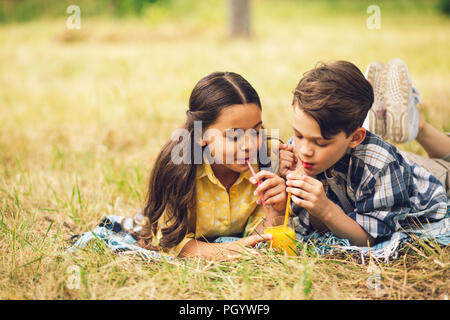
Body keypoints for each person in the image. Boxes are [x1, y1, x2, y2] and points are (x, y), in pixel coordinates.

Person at [278, 60, 448, 247]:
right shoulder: (300, 152)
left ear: (355, 137)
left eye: (320, 143)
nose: (304, 151)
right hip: (380, 162)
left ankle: (416, 124)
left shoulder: (380, 166)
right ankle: (389, 117)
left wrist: (326, 209)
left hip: (423, 180)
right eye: (298, 135)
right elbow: (320, 230)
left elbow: (369, 239)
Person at [138, 71, 287, 260]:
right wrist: (226, 251)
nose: (249, 145)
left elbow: (262, 237)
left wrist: (277, 210)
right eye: (234, 136)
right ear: (201, 135)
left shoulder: (270, 159)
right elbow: (171, 242)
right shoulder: (178, 170)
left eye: (256, 131)